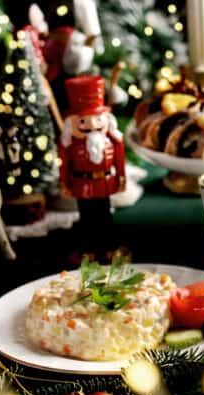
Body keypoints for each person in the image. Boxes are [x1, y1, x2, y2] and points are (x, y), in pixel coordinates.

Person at [59, 75, 125, 261]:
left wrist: (121, 178)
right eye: (83, 121)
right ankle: (88, 250)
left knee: (105, 217)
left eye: (97, 119)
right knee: (87, 218)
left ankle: (109, 249)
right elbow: (64, 164)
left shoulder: (112, 142)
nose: (91, 125)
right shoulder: (70, 145)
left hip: (104, 184)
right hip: (82, 185)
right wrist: (64, 183)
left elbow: (119, 161)